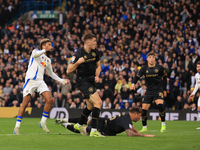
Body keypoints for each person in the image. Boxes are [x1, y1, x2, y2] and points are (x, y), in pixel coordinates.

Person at [13, 39, 69, 134]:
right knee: (25, 103)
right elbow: (35, 55)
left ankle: (43, 122)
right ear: (43, 46)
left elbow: (51, 73)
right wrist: (44, 50)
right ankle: (17, 127)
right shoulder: (35, 51)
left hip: (40, 82)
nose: (50, 46)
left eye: (50, 45)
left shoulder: (47, 60)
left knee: (50, 100)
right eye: (48, 45)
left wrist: (61, 80)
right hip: (30, 80)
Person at [66, 33, 103, 137]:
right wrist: (77, 63)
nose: (96, 43)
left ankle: (78, 125)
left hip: (91, 80)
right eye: (94, 41)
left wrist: (97, 75)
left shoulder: (96, 52)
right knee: (99, 102)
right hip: (82, 81)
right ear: (88, 42)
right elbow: (68, 70)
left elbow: (98, 66)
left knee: (90, 106)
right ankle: (94, 131)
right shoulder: (78, 54)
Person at [55, 106, 155, 137]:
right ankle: (64, 124)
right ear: (135, 114)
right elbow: (130, 133)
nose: (140, 118)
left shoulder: (126, 115)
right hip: (104, 128)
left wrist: (144, 135)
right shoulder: (126, 119)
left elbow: (132, 129)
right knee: (84, 130)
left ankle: (64, 120)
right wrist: (143, 136)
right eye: (139, 116)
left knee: (86, 121)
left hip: (104, 121)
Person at [130, 52, 167, 133]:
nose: (151, 59)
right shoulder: (144, 68)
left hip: (158, 89)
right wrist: (133, 83)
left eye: (153, 57)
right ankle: (144, 127)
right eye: (150, 57)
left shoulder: (160, 68)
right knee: (143, 110)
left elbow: (165, 78)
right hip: (149, 90)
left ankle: (163, 124)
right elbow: (137, 77)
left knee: (160, 105)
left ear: (154, 59)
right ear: (147, 59)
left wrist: (164, 89)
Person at [188, 61, 200, 129]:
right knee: (199, 108)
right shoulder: (196, 75)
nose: (198, 68)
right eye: (197, 67)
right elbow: (197, 85)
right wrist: (193, 93)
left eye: (199, 67)